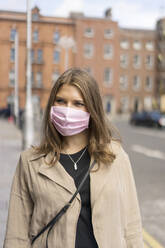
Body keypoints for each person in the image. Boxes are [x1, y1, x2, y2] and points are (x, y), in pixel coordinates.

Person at [3, 68, 144, 248]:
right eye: (61, 101)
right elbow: (16, 235)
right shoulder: (30, 162)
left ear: (92, 109)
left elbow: (131, 226)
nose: (68, 110)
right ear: (52, 104)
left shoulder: (116, 156)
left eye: (78, 103)